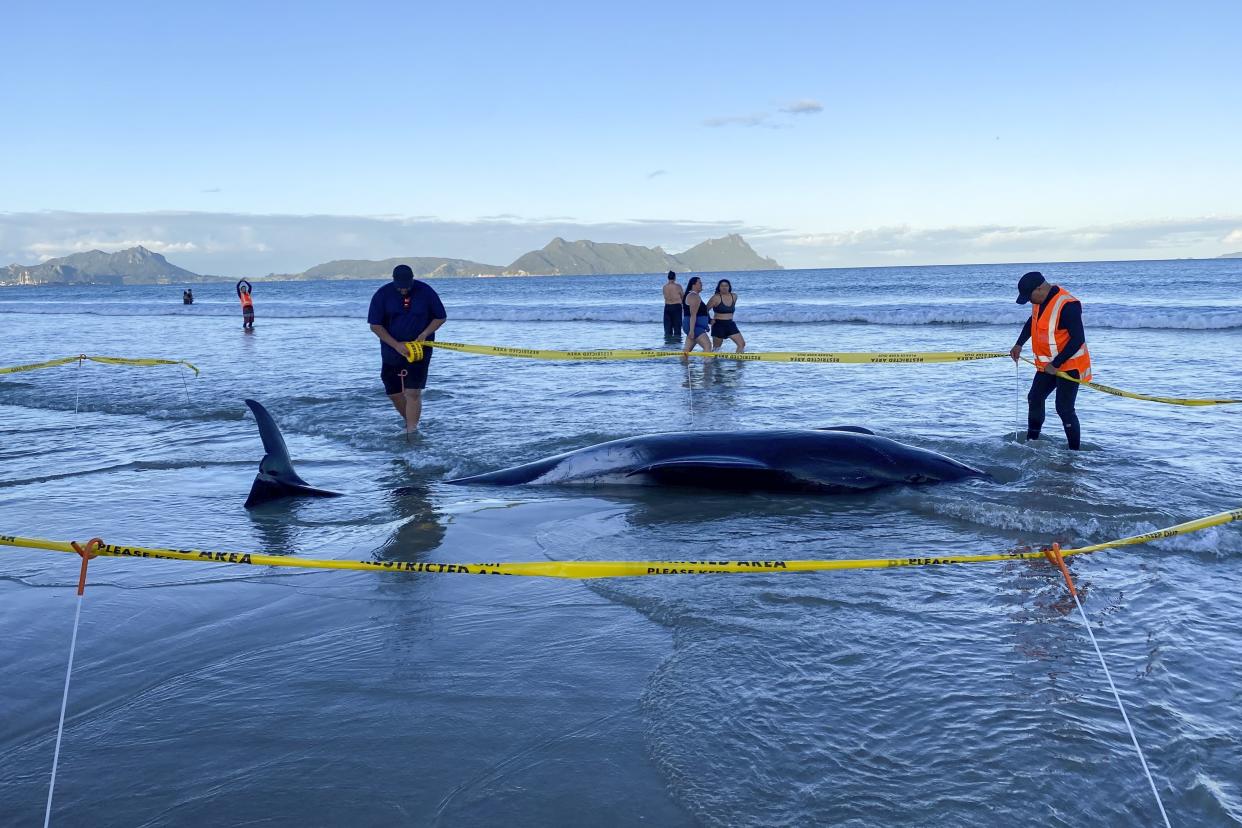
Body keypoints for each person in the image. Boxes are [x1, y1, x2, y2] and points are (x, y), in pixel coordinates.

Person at [1009, 271, 1091, 450]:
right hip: (1047, 365)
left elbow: (1078, 339)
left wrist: (1056, 364)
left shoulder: (1068, 305)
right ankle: (1032, 442)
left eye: (1029, 297)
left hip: (1069, 365)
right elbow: (1033, 321)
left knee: (1064, 408)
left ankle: (1074, 452)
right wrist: (1019, 344)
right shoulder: (1039, 301)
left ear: (1039, 288)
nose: (1030, 302)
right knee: (1034, 398)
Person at [368, 264, 447, 433]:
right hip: (391, 349)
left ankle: (412, 430)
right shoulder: (382, 295)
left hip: (420, 348)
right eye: (400, 287)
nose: (404, 290)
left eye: (407, 286)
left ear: (412, 279)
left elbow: (440, 317)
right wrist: (396, 345)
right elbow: (375, 325)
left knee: (412, 392)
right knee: (393, 392)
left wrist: (425, 333)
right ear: (393, 280)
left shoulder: (426, 292)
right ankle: (409, 420)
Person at [706, 278, 745, 352]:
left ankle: (739, 362)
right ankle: (712, 362)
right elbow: (704, 310)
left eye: (726, 285)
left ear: (729, 287)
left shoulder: (734, 296)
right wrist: (709, 320)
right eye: (722, 286)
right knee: (716, 348)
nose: (724, 287)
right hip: (718, 325)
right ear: (719, 287)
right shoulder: (716, 298)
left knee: (741, 344)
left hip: (730, 324)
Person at [682, 276, 712, 355]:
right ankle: (707, 366)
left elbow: (699, 313)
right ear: (693, 285)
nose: (702, 284)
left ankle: (683, 365)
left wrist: (705, 325)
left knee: (687, 350)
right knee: (707, 346)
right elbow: (693, 315)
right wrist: (691, 331)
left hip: (695, 326)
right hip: (693, 327)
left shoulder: (693, 295)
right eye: (700, 283)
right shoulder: (693, 296)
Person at [662, 271, 683, 339]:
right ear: (674, 277)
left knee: (667, 329)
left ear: (668, 277)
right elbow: (683, 297)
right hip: (676, 306)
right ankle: (677, 346)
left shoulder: (664, 287)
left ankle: (668, 345)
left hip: (667, 307)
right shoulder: (678, 286)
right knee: (677, 329)